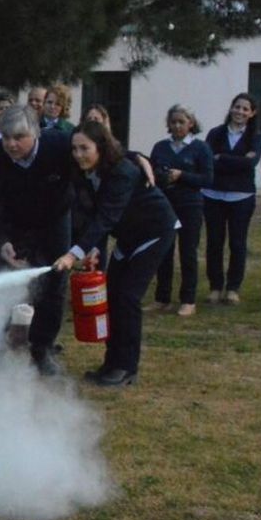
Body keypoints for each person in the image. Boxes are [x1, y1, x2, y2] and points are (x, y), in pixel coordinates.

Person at [51, 121, 178, 387]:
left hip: (154, 231)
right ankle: (112, 362)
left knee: (128, 297)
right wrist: (93, 248)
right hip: (127, 235)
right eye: (74, 149)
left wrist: (73, 255)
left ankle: (127, 367)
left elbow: (105, 218)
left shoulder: (122, 172)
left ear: (101, 147)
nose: (78, 154)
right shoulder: (85, 173)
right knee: (112, 295)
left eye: (85, 148)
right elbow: (93, 216)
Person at [0, 105, 74, 376]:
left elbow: (98, 149)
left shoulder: (60, 146)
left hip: (54, 220)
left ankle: (42, 350)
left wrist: (137, 157)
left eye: (18, 137)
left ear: (36, 133)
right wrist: (1, 240)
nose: (11, 144)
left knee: (54, 284)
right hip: (9, 225)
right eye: (5, 138)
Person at [149, 104, 214, 315]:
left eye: (181, 122)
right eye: (173, 122)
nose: (177, 126)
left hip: (190, 206)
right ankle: (162, 298)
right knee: (164, 252)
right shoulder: (160, 147)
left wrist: (181, 176)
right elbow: (151, 173)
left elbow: (207, 179)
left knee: (188, 252)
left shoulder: (200, 148)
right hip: (164, 205)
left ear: (191, 124)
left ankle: (188, 299)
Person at [202, 93, 261, 305]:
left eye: (245, 109)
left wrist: (223, 158)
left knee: (238, 243)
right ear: (231, 108)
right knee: (214, 242)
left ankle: (233, 288)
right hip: (213, 194)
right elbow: (208, 161)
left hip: (241, 197)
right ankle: (215, 286)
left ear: (252, 113)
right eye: (237, 107)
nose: (240, 112)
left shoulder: (256, 137)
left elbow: (250, 164)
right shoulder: (216, 133)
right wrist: (235, 160)